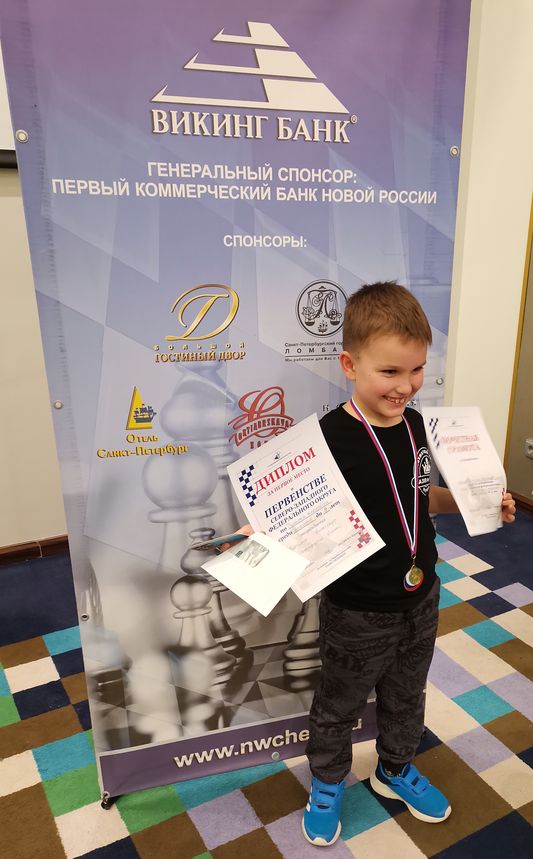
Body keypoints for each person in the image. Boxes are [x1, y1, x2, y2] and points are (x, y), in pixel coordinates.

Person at [222, 282, 516, 847]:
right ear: (350, 364)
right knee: (338, 704)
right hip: (357, 609)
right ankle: (328, 782)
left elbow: (423, 498)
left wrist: (476, 503)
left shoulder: (418, 427)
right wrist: (252, 536)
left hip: (421, 596)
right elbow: (289, 512)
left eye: (417, 370)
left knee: (409, 694)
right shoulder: (325, 439)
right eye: (390, 372)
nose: (405, 385)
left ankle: (395, 768)